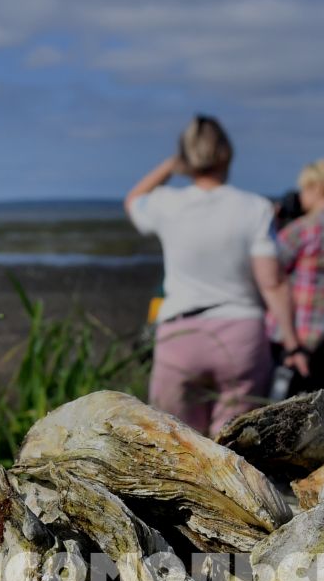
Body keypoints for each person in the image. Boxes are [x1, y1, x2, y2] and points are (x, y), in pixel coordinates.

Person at [126, 116, 310, 436]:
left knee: (177, 444)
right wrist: (293, 345)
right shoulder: (255, 208)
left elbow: (133, 200)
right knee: (234, 447)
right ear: (227, 153)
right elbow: (272, 282)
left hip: (179, 336)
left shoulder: (166, 204)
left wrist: (171, 165)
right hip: (241, 337)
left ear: (187, 157)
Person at [271, 157, 324, 397]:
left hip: (295, 336)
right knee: (316, 402)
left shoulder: (304, 229)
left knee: (281, 409)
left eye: (304, 188)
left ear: (317, 187)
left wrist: (273, 222)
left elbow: (269, 270)